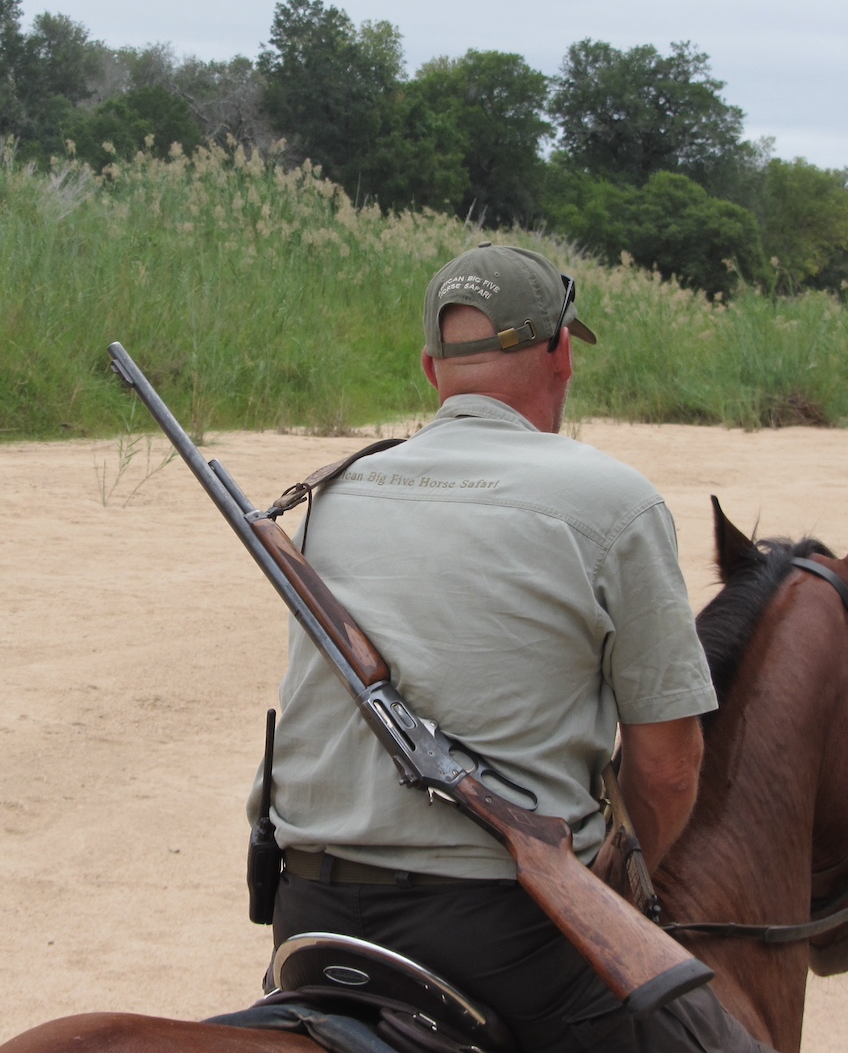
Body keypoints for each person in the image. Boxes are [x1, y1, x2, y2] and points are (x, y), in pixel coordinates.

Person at [249, 244, 769, 1052]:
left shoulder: (330, 494)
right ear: (561, 353)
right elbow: (668, 766)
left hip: (308, 916)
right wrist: (607, 897)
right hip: (503, 934)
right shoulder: (615, 502)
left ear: (431, 369)